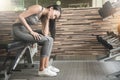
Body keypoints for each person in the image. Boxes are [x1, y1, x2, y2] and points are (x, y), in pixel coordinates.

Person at [12, 4, 62, 77]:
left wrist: (47, 19)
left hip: (26, 31)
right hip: (18, 30)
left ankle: (46, 66)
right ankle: (42, 69)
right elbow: (20, 17)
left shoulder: (44, 16)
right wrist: (31, 32)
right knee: (47, 40)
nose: (53, 18)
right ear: (51, 8)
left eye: (55, 17)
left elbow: (45, 34)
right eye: (55, 15)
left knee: (50, 39)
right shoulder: (38, 8)